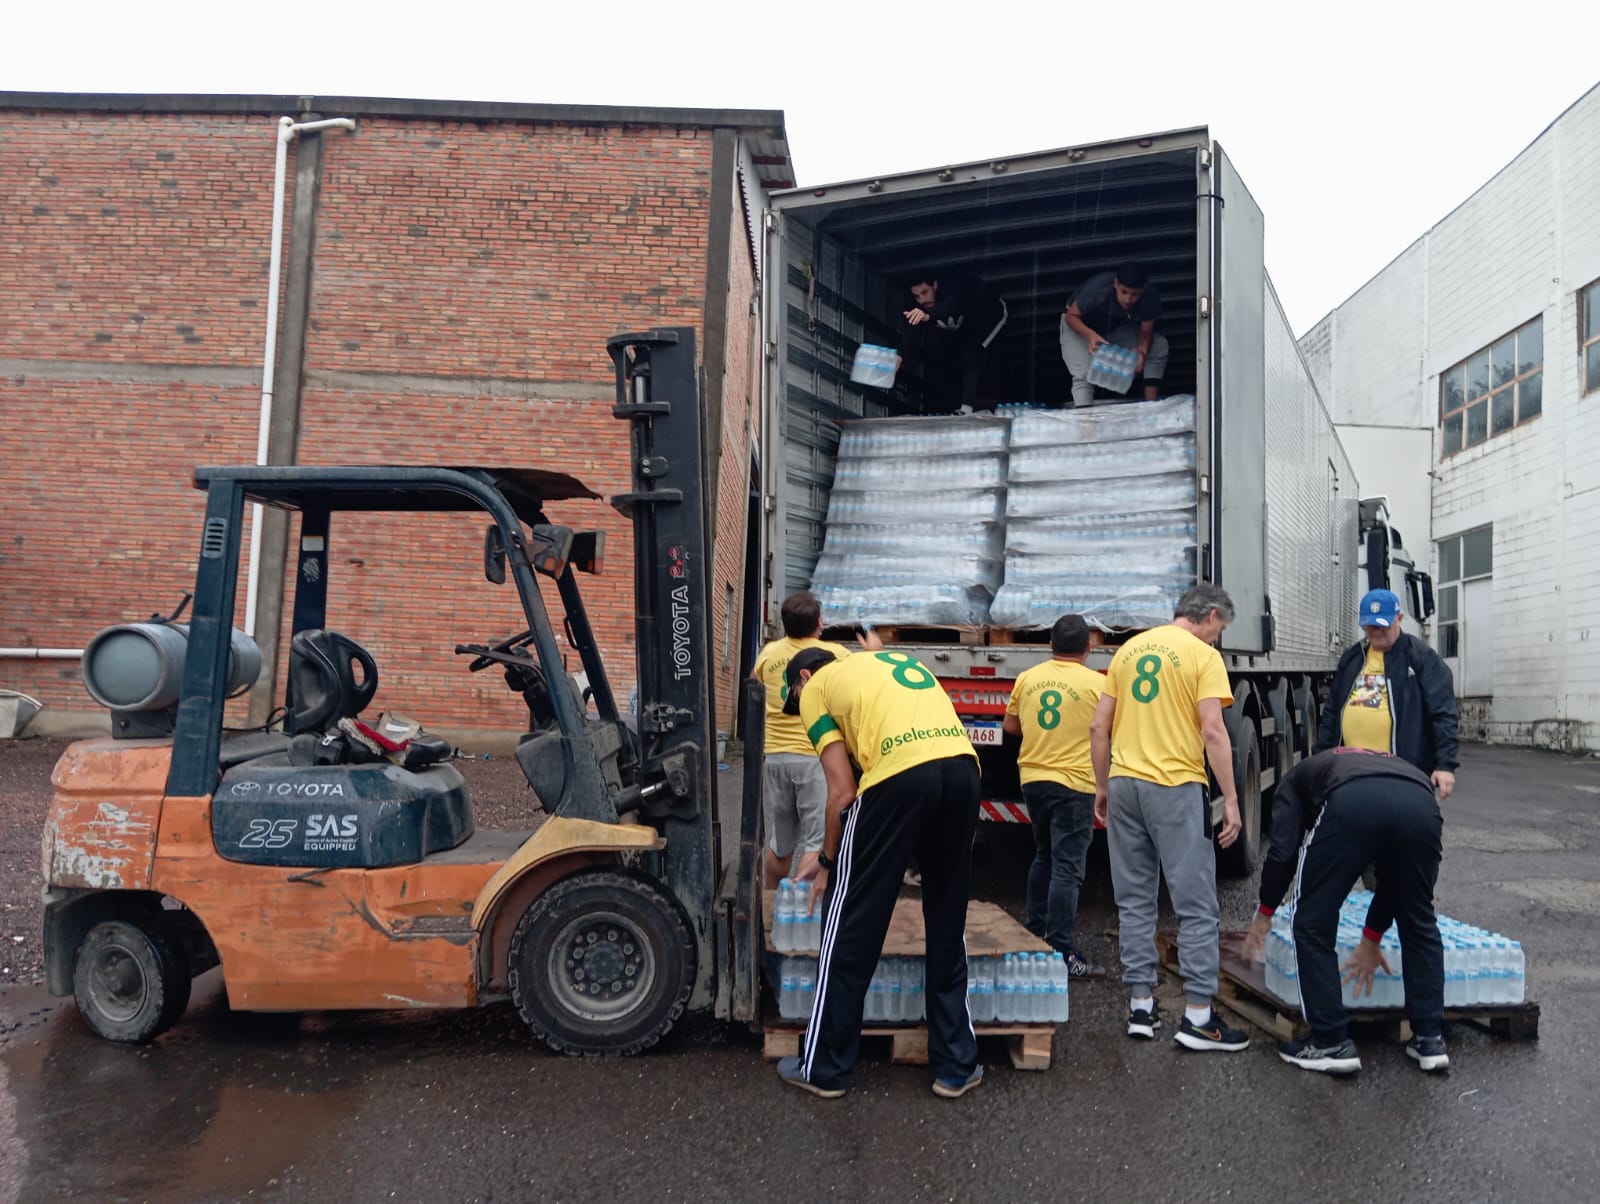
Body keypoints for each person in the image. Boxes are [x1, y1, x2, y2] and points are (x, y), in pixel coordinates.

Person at [774, 646, 983, 1100]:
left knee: (851, 923)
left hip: (899, 778)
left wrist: (828, 860)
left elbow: (842, 791)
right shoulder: (882, 662)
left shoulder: (816, 690)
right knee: (948, 921)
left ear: (804, 676)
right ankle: (956, 1065)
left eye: (795, 693)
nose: (799, 704)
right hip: (964, 772)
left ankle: (824, 1066)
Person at [1089, 582, 1249, 1051]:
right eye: (1220, 629)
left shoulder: (1129, 651)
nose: (1218, 639)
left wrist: (1102, 785)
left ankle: (1141, 1006)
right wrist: (1232, 800)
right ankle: (1199, 1016)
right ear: (1212, 615)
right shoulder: (1202, 658)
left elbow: (1100, 726)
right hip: (1175, 787)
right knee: (1195, 904)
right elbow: (1214, 732)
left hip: (1124, 785)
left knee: (1135, 899)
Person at [1242, 747, 1449, 1075]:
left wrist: (1265, 912)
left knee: (1310, 920)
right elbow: (1395, 886)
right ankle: (1430, 1038)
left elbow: (1283, 852)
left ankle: (1330, 1041)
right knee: (1419, 915)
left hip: (1352, 800)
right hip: (1421, 802)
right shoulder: (1358, 762)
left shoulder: (1292, 783)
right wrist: (1371, 936)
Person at [749, 591, 876, 889]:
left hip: (776, 757)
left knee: (781, 842)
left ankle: (770, 900)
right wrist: (871, 649)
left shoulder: (769, 652)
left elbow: (754, 687)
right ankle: (802, 912)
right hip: (812, 757)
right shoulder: (833, 654)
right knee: (817, 842)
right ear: (820, 622)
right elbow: (869, 670)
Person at [1003, 613, 1106, 979]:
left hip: (1033, 779)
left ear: (1050, 645)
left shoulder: (1027, 678)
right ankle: (1061, 951)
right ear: (1088, 648)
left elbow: (1010, 725)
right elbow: (1107, 730)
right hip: (1073, 783)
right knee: (1067, 867)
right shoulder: (1097, 684)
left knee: (1044, 856)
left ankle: (1034, 934)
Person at [1317, 588, 1459, 801]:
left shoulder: (1420, 658)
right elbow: (1331, 714)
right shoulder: (1353, 659)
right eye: (1370, 625)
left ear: (1399, 618)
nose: (1376, 631)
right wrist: (1320, 763)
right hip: (1350, 774)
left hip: (1403, 774)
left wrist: (1445, 766)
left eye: (1382, 625)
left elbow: (1444, 714)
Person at [895, 271, 1008, 411]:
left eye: (925, 292)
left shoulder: (952, 287)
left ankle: (967, 408)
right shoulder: (918, 306)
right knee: (947, 357)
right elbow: (910, 330)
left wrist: (928, 316)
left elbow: (951, 305)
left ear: (935, 285)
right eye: (917, 296)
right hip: (963, 326)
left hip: (989, 314)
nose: (922, 300)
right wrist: (899, 356)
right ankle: (953, 405)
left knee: (972, 351)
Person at [1060, 262, 1169, 407]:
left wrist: (1142, 352)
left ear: (1143, 290)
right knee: (1084, 372)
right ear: (1116, 284)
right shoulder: (1098, 288)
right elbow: (1071, 316)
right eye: (1124, 292)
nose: (1128, 299)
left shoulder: (1150, 296)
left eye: (1134, 294)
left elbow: (1146, 332)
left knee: (1159, 346)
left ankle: (1151, 409)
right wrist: (1090, 336)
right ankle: (1086, 423)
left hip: (1112, 328)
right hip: (1079, 325)